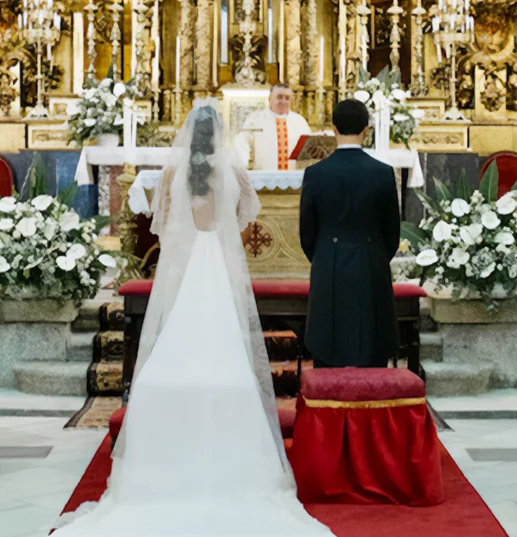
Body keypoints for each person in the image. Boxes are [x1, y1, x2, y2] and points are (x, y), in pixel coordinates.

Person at [51, 99, 335, 537]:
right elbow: (251, 209)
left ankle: (165, 458)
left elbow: (160, 222)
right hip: (217, 262)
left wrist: (187, 235)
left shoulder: (171, 170)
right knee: (226, 349)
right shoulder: (230, 166)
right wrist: (224, 232)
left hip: (185, 266)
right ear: (219, 133)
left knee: (176, 341)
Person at [299, 99, 400, 368]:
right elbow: (392, 231)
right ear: (366, 129)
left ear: (333, 128)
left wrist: (323, 255)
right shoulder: (383, 173)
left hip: (328, 261)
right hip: (371, 260)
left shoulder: (315, 173)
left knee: (328, 341)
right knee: (371, 341)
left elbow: (306, 231)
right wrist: (376, 254)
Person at [235, 84, 312, 170]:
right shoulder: (255, 119)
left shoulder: (300, 122)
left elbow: (308, 152)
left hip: (293, 177)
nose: (283, 101)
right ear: (269, 99)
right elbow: (242, 145)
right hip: (263, 177)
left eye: (287, 98)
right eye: (279, 97)